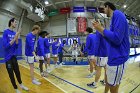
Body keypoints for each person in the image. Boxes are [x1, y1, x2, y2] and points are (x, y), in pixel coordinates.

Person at [92, 2, 130, 93]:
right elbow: (112, 38)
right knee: (111, 83)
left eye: (104, 9)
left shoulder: (118, 14)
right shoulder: (113, 18)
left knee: (113, 86)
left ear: (108, 6)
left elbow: (117, 39)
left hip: (118, 58)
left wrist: (101, 29)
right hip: (112, 57)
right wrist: (100, 30)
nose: (104, 11)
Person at [2, 18, 28, 93]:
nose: (16, 24)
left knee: (17, 72)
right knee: (11, 74)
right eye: (15, 22)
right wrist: (15, 37)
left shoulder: (14, 33)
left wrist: (17, 38)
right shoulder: (5, 32)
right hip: (8, 58)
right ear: (11, 22)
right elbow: (6, 46)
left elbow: (16, 46)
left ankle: (21, 85)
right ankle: (16, 88)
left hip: (14, 56)